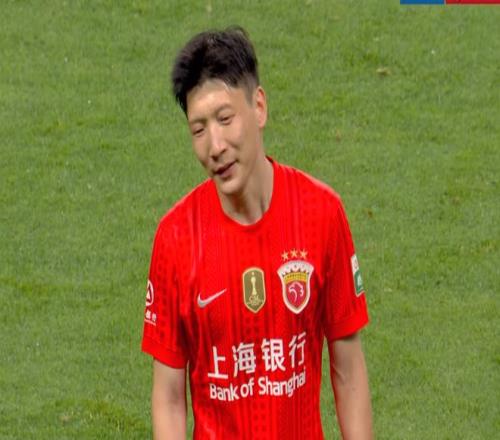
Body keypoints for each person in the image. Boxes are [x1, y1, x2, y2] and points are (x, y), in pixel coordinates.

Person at [141, 26, 373, 439]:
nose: (215, 146)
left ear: (259, 107)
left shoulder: (321, 214)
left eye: (225, 119)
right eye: (198, 129)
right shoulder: (176, 238)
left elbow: (348, 368)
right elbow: (169, 397)